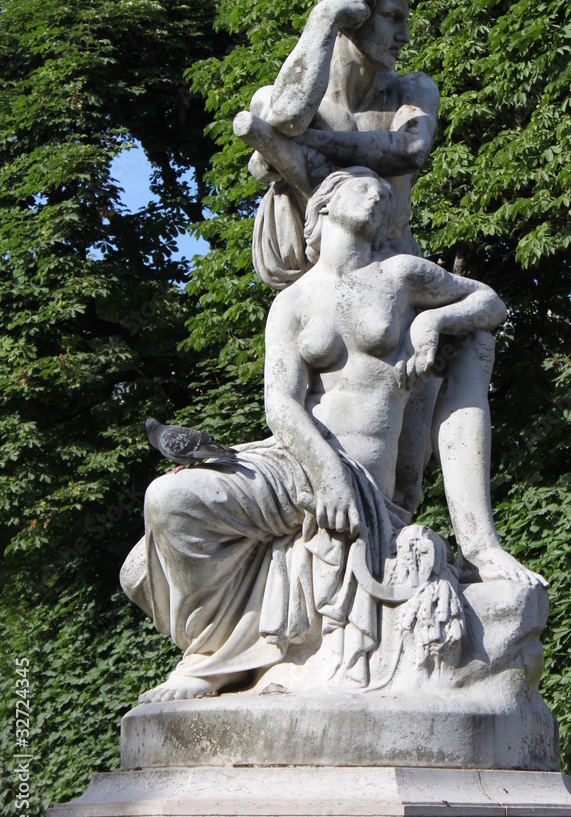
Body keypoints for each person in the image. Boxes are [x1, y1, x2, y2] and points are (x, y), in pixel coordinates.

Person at [122, 169, 541, 703]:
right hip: (296, 459)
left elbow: (490, 304)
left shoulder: (402, 276)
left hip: (368, 472)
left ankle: (481, 544)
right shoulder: (293, 303)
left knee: (475, 337)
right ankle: (209, 656)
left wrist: (434, 323)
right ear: (323, 205)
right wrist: (327, 474)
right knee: (169, 497)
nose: (381, 194)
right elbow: (280, 402)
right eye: (364, 186)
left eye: (386, 193)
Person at [235, 0, 534, 584]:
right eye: (391, 18)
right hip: (315, 281)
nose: (402, 35)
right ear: (354, 16)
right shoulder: (286, 88)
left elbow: (408, 151)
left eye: (404, 19)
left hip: (396, 275)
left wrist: (309, 149)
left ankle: (479, 543)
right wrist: (322, 19)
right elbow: (285, 114)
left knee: (464, 349)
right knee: (338, 421)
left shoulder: (411, 93)